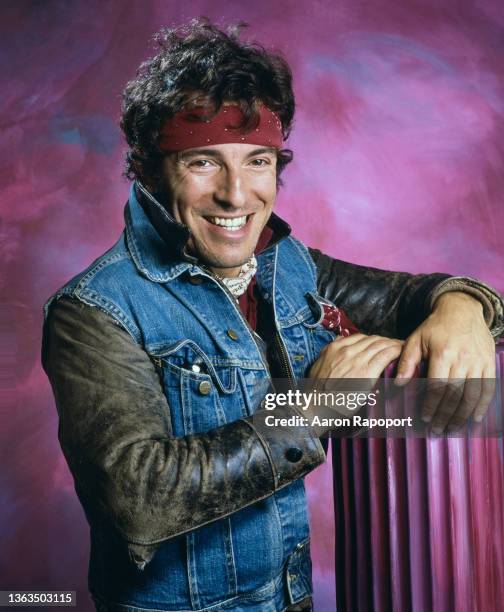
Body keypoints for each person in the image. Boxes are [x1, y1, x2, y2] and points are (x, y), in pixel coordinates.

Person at [41, 19, 503, 612]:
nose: (238, 195)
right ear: (153, 171)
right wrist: (310, 408)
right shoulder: (93, 312)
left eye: (258, 161)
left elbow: (413, 297)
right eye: (204, 162)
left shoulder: (287, 265)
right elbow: (138, 499)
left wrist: (463, 305)